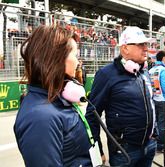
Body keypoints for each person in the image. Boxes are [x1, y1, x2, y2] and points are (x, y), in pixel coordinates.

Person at [14, 25, 94, 167]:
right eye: (75, 55)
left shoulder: (58, 98)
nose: (78, 61)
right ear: (56, 58)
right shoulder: (40, 117)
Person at [85, 26, 157, 167]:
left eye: (146, 44)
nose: (146, 48)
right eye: (140, 44)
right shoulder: (106, 74)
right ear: (125, 49)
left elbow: (151, 104)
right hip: (124, 151)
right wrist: (97, 150)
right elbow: (92, 115)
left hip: (149, 145)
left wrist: (155, 134)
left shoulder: (143, 71)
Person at [149, 50, 165, 152]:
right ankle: (161, 146)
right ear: (163, 58)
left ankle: (155, 143)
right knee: (162, 124)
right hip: (162, 100)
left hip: (153, 99)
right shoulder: (164, 70)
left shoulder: (151, 70)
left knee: (155, 122)